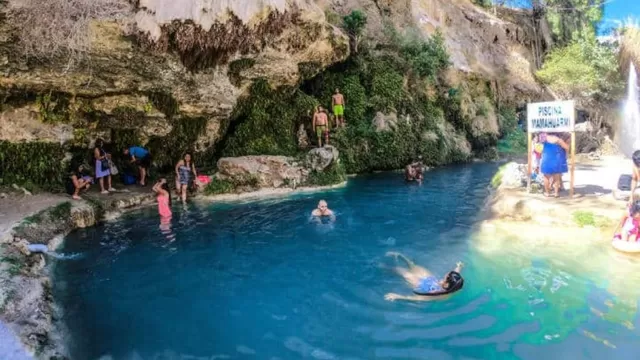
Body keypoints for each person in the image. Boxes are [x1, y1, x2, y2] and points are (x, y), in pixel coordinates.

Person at [384, 252, 464, 302]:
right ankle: (399, 256)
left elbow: (419, 298)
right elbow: (456, 273)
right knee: (414, 267)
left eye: (446, 277)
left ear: (446, 284)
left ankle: (385, 268)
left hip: (421, 285)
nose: (446, 274)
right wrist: (459, 266)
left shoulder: (439, 295)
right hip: (430, 280)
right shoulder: (455, 284)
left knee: (405, 274)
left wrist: (398, 296)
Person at [539, 132, 569, 197]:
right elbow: (567, 147)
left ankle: (547, 193)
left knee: (546, 177)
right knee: (557, 177)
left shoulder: (543, 138)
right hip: (556, 159)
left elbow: (539, 148)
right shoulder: (558, 140)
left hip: (546, 159)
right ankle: (556, 193)